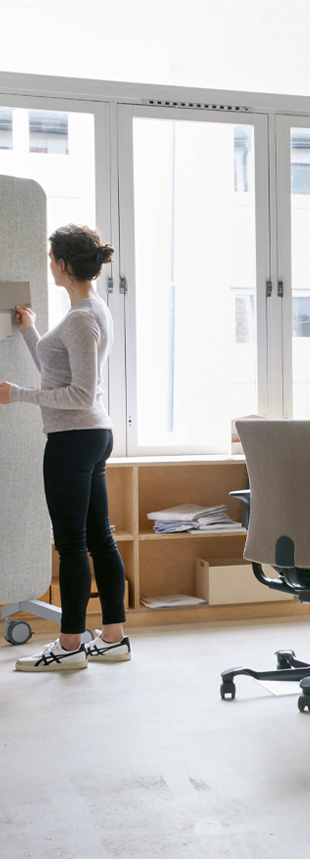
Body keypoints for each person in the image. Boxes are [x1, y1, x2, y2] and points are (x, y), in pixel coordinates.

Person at [0, 224, 131, 671]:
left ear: (62, 265)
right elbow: (56, 371)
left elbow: (79, 394)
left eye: (50, 258)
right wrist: (31, 332)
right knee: (98, 538)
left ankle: (70, 646)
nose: (48, 265)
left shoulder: (82, 319)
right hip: (89, 436)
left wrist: (16, 393)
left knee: (73, 543)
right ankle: (113, 637)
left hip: (74, 439)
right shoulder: (91, 311)